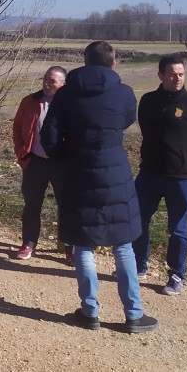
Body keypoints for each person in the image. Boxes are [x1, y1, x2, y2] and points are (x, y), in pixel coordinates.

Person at [41, 41, 158, 333]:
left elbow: (49, 138)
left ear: (84, 61)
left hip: (78, 173)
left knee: (83, 244)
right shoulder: (124, 93)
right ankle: (133, 314)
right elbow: (127, 120)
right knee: (124, 245)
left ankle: (89, 311)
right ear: (113, 63)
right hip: (116, 173)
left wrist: (67, 156)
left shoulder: (66, 94)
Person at [134, 56, 187, 296]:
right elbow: (146, 131)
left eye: (181, 74)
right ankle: (139, 266)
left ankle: (176, 275)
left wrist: (185, 159)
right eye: (172, 74)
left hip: (181, 178)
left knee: (178, 229)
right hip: (149, 174)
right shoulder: (148, 101)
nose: (177, 78)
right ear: (160, 75)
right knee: (137, 220)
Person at [11, 66, 67, 260]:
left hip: (62, 164)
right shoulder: (30, 101)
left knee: (66, 206)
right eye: (45, 79)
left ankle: (69, 247)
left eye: (52, 81)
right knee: (32, 205)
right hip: (35, 162)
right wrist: (21, 151)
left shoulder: (71, 103)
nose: (46, 83)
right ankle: (29, 244)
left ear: (63, 83)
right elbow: (17, 127)